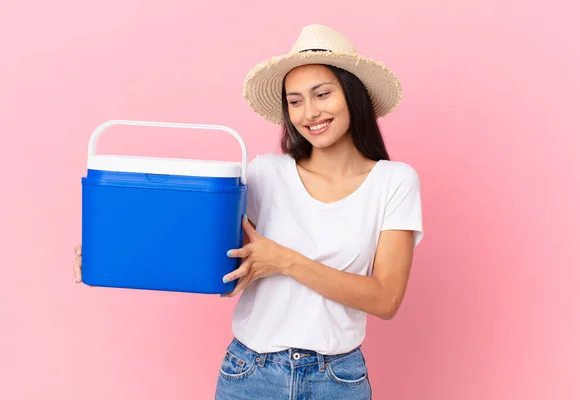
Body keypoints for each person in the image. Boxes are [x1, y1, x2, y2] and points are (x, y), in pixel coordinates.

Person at [73, 24, 423, 400]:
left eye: (322, 94)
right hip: (251, 374)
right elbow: (219, 267)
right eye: (295, 101)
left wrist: (284, 260)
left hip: (338, 380)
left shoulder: (394, 182)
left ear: (352, 96)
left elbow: (385, 299)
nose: (310, 112)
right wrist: (113, 251)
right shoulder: (264, 173)